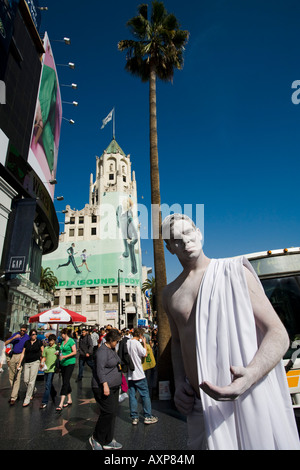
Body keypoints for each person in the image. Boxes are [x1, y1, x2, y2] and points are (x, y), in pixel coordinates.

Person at [161, 213, 300, 450]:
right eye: (175, 239)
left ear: (199, 233)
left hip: (246, 396)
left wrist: (249, 377)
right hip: (199, 406)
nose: (185, 242)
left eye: (188, 233)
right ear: (169, 248)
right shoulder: (169, 294)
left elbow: (278, 333)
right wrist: (178, 381)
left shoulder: (235, 272)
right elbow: (177, 343)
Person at [90, 329, 123, 450]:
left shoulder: (112, 349)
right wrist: (105, 385)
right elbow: (100, 370)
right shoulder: (102, 352)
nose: (117, 343)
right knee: (108, 412)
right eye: (116, 341)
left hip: (114, 386)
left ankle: (108, 439)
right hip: (103, 387)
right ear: (111, 340)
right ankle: (96, 438)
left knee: (113, 412)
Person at [126, 328, 158, 425]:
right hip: (139, 373)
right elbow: (144, 353)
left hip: (130, 374)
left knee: (132, 395)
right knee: (145, 394)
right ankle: (147, 416)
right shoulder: (136, 343)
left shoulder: (127, 342)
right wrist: (144, 343)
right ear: (140, 336)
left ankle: (134, 417)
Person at [17, 329, 44, 407]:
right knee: (26, 380)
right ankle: (33, 390)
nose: (34, 335)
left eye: (35, 334)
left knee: (31, 381)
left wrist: (42, 361)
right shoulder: (27, 343)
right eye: (32, 334)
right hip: (27, 362)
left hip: (35, 362)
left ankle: (27, 398)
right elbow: (23, 353)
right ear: (30, 335)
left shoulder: (39, 342)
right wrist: (19, 363)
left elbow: (43, 352)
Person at [5, 325, 30, 405]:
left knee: (17, 376)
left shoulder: (27, 337)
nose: (22, 332)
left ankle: (13, 397)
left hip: (21, 356)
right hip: (13, 355)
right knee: (11, 376)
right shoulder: (16, 335)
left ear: (26, 330)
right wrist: (13, 338)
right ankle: (15, 393)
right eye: (21, 330)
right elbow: (5, 343)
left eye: (23, 331)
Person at [56, 328, 77, 411]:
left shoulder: (71, 341)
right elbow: (61, 351)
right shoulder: (62, 342)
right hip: (63, 363)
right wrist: (59, 353)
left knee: (65, 382)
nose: (61, 335)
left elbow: (74, 352)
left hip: (70, 363)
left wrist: (64, 356)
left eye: (62, 334)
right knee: (66, 381)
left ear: (65, 334)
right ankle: (69, 399)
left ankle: (61, 403)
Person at [40, 334, 60, 408]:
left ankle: (44, 401)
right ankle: (53, 392)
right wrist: (42, 363)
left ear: (54, 341)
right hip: (46, 368)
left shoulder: (57, 348)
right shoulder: (46, 348)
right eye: (49, 341)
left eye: (52, 341)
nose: (50, 342)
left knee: (47, 385)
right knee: (49, 383)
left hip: (52, 368)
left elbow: (60, 356)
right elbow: (44, 357)